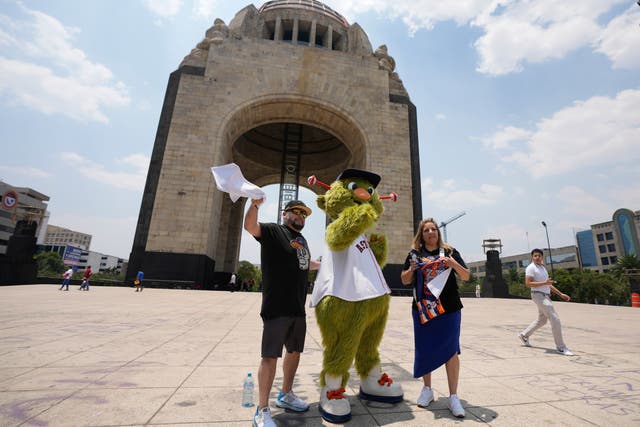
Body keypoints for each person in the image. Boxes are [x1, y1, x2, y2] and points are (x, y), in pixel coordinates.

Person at [244, 198, 320, 427]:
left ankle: (286, 394)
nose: (300, 216)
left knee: (294, 352)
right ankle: (262, 409)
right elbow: (250, 227)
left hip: (297, 308)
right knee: (270, 356)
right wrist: (255, 205)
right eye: (296, 212)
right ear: (285, 213)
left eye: (304, 214)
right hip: (276, 307)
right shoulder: (273, 230)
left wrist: (327, 265)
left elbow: (305, 264)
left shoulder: (301, 239)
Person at [400, 218, 470, 418]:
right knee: (424, 348)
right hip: (424, 309)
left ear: (438, 233)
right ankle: (427, 389)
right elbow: (404, 279)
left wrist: (453, 263)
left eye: (433, 229)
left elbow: (466, 276)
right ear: (421, 235)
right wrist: (412, 269)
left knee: (451, 351)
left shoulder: (450, 252)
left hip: (450, 309)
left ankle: (453, 396)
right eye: (426, 230)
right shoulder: (414, 254)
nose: (430, 232)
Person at [518, 248, 573, 356]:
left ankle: (524, 335)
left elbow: (548, 284)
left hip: (545, 296)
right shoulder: (531, 268)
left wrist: (561, 294)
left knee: (542, 320)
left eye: (539, 256)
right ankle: (561, 347)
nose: (537, 257)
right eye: (535, 256)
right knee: (555, 318)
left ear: (542, 257)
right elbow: (528, 284)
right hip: (538, 295)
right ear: (532, 257)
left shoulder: (542, 268)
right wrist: (544, 282)